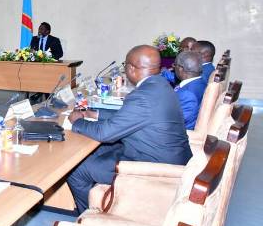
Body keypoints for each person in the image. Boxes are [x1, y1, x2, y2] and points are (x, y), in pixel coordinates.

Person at [66, 45, 192, 213]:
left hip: (155, 168)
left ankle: (89, 217)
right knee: (95, 152)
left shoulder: (143, 96)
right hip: (167, 156)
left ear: (131, 68)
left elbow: (105, 133)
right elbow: (131, 116)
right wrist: (94, 114)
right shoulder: (161, 84)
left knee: (77, 169)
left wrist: (77, 122)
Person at [173, 51, 207, 130]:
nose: (174, 68)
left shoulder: (187, 94)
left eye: (175, 65)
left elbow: (175, 122)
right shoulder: (201, 82)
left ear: (180, 68)